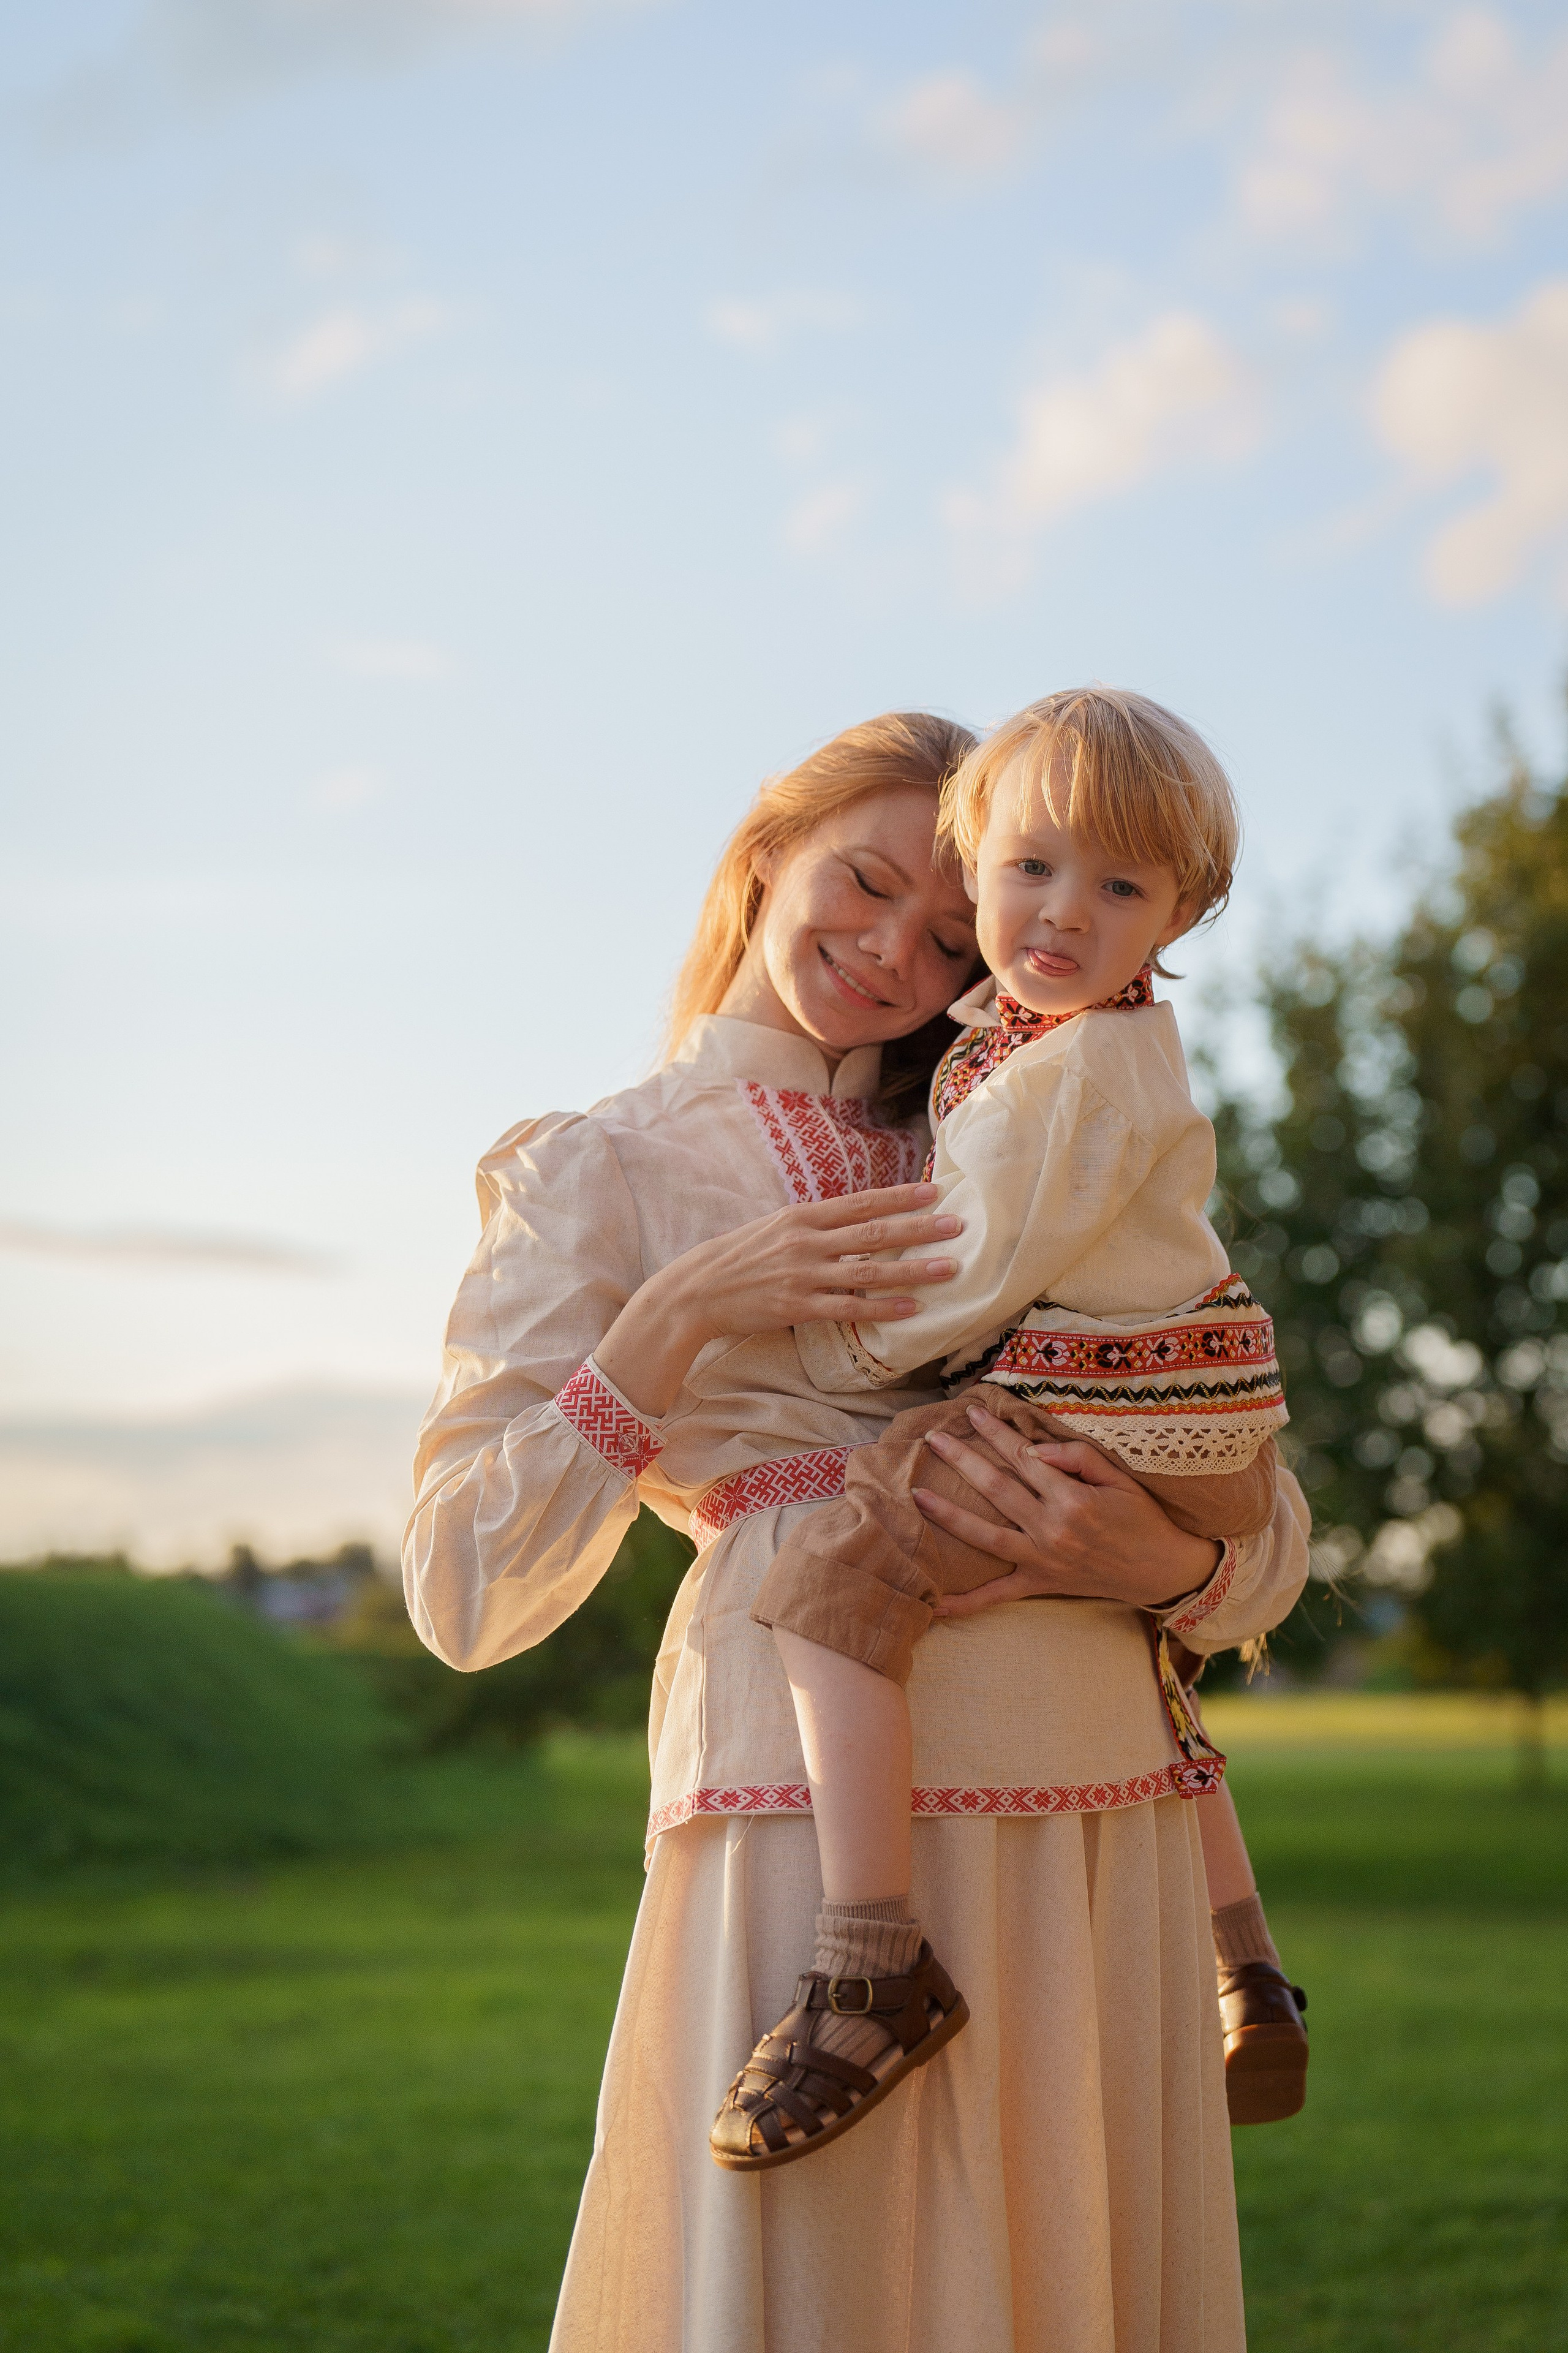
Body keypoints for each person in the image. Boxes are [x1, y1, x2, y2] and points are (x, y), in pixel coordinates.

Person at [404, 709, 1311, 2353]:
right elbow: (463, 1585)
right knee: (828, 2292)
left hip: (1096, 1795)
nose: (895, 951)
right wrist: (668, 1325)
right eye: (864, 882)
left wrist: (1167, 1571)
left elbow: (1248, 1481)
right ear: (764, 858)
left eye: (949, 929)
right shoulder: (593, 1169)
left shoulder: (1027, 1113)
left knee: (1071, 2276)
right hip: (806, 1809)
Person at [728, 689, 1308, 2169]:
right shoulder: (1048, 1037)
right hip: (1184, 1415)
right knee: (1151, 1659)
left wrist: (829, 1332)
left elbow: (967, 1268)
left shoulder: (1066, 1070)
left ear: (1184, 912)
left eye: (1121, 887)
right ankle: (1244, 1959)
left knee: (827, 1586)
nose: (1062, 913)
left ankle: (868, 1960)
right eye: (1034, 868)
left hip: (1103, 1411)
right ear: (977, 855)